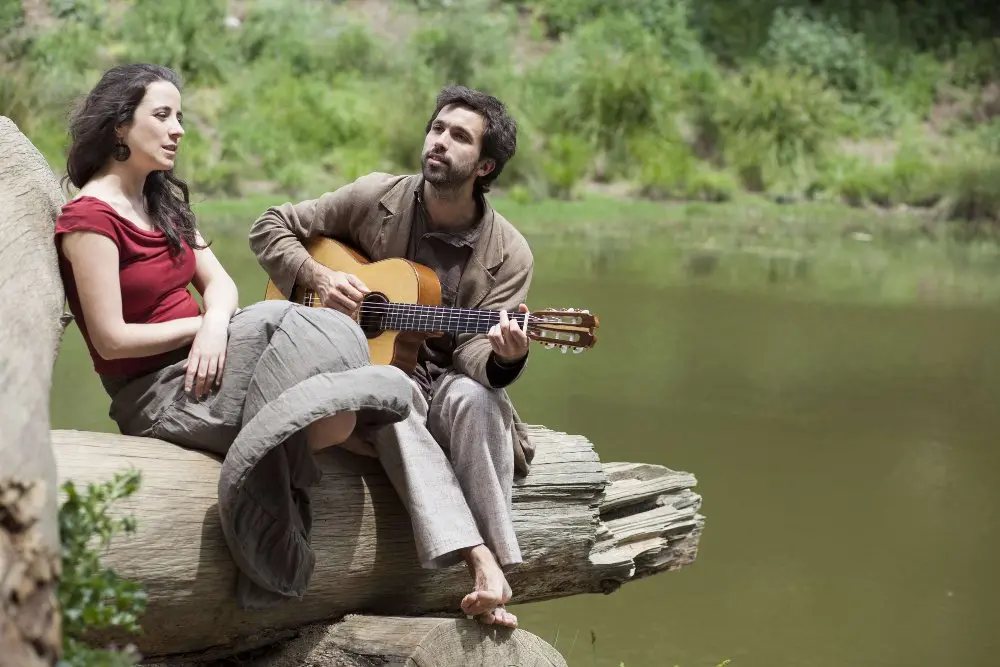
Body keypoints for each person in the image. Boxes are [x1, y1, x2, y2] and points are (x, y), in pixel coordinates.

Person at [53, 63, 414, 608]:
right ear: (120, 126)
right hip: (160, 394)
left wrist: (216, 324)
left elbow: (221, 285)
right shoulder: (90, 219)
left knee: (297, 323)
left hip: (211, 355)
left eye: (180, 116)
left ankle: (353, 409)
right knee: (288, 319)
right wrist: (204, 325)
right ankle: (341, 432)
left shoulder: (162, 202)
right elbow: (111, 340)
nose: (178, 129)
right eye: (163, 115)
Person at [249, 84, 535, 628]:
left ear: (485, 166)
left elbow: (477, 357)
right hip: (367, 377)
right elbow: (269, 226)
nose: (440, 141)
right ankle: (483, 564)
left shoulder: (509, 253)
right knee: (390, 391)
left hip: (445, 383)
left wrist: (505, 358)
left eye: (459, 137)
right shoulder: (376, 197)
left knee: (478, 400)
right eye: (437, 129)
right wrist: (319, 276)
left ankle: (497, 574)